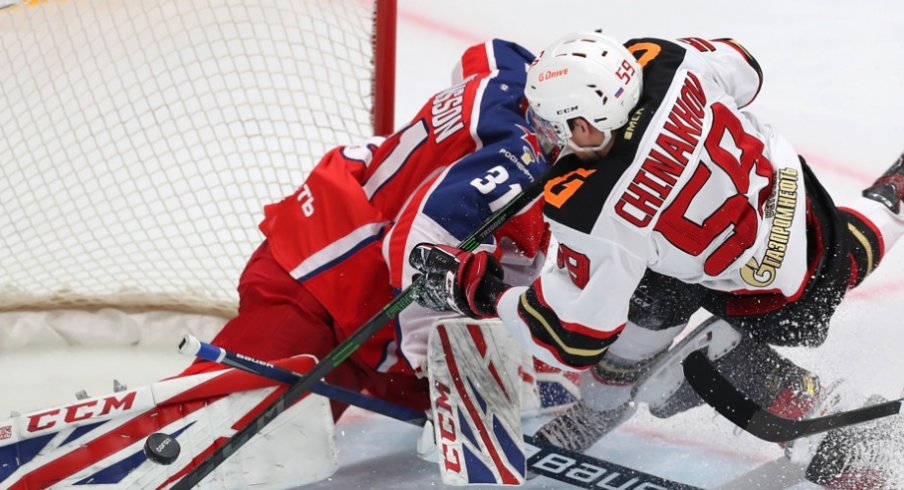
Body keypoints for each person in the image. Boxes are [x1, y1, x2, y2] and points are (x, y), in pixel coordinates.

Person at [409, 31, 904, 487]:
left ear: (583, 125)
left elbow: (573, 336)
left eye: (552, 124)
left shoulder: (591, 207)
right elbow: (745, 68)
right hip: (795, 204)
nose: (547, 135)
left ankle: (615, 399)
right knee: (835, 258)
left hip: (759, 293)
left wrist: (479, 290)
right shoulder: (661, 57)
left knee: (659, 318)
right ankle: (892, 198)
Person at [180, 38, 552, 421]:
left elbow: (486, 51)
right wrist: (435, 362)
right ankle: (126, 443)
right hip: (319, 282)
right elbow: (419, 246)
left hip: (364, 309)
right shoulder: (517, 166)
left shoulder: (511, 78)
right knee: (213, 424)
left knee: (287, 446)